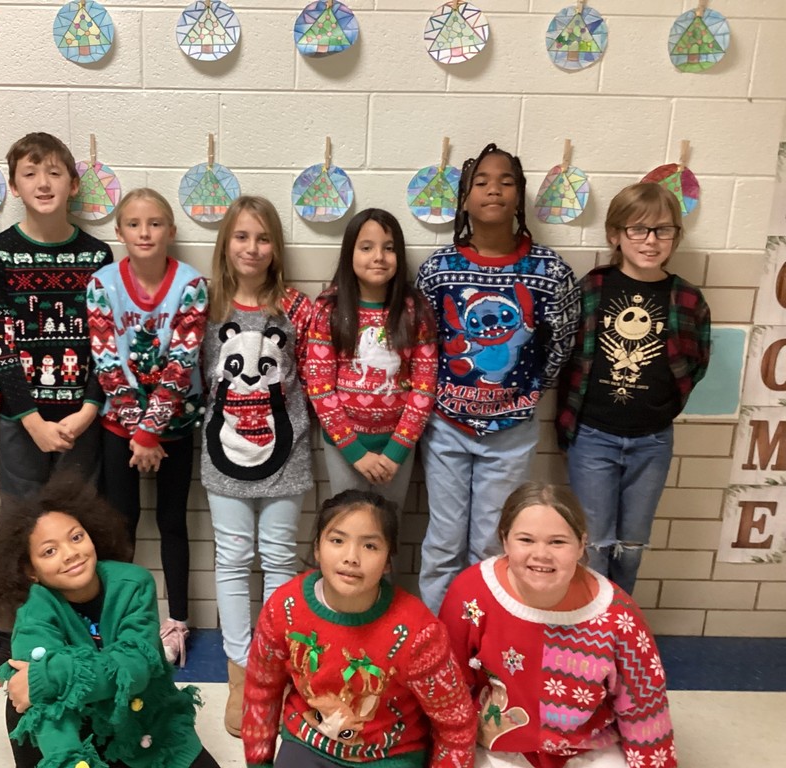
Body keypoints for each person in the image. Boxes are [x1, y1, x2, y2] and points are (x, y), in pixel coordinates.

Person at [0, 132, 114, 700]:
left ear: (73, 185)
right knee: (18, 528)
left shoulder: (96, 255)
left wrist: (90, 408)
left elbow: (106, 342)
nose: (43, 183)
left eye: (54, 173)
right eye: (31, 173)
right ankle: (12, 635)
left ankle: (84, 634)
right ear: (15, 184)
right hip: (24, 421)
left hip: (82, 418)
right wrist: (29, 418)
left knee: (83, 530)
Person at [415, 143, 580, 614]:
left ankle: (479, 638)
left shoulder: (549, 271)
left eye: (505, 181)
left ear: (520, 196)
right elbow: (421, 345)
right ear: (464, 198)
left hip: (512, 433)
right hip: (446, 428)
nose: (494, 189)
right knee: (443, 542)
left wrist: (524, 396)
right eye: (481, 182)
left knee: (491, 544)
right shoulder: (438, 271)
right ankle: (436, 641)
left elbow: (561, 345)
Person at [0, 474, 221, 768]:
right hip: (81, 723)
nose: (71, 553)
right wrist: (71, 761)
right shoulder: (34, 611)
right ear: (30, 571)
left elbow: (135, 668)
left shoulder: (133, 583)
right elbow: (47, 710)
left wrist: (50, 675)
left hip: (144, 720)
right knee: (24, 699)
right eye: (50, 551)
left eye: (76, 537)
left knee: (33, 682)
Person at [439, 482, 676, 768]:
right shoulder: (470, 592)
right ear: (505, 540)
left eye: (558, 542)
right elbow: (448, 689)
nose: (541, 554)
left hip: (585, 747)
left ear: (581, 545)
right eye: (526, 540)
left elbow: (643, 707)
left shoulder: (617, 614)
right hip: (498, 745)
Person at [242, 489, 477, 768]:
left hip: (390, 756)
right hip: (308, 743)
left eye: (370, 546)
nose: (351, 557)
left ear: (388, 560)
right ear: (317, 547)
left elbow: (456, 722)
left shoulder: (417, 632)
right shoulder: (284, 608)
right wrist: (259, 763)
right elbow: (261, 690)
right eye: (337, 540)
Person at [556, 182, 710, 594]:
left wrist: (661, 408)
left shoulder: (688, 299)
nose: (650, 240)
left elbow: (696, 365)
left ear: (676, 235)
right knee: (595, 542)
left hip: (652, 440)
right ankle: (592, 626)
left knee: (632, 545)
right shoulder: (593, 288)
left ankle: (623, 623)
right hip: (593, 436)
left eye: (663, 230)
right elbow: (568, 356)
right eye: (638, 230)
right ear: (615, 235)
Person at [200, 196, 313, 737]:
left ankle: (273, 668)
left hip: (286, 458)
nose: (252, 247)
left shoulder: (296, 309)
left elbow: (318, 375)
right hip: (224, 458)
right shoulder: (207, 306)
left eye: (263, 238)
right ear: (226, 244)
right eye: (242, 237)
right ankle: (240, 670)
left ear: (276, 248)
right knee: (233, 557)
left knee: (278, 560)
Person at [86, 188, 208, 667]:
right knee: (121, 526)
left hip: (174, 428)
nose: (144, 232)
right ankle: (120, 622)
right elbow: (106, 362)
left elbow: (182, 362)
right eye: (134, 224)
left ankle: (177, 621)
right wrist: (139, 433)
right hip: (121, 430)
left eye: (155, 223)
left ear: (171, 232)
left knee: (173, 523)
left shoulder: (193, 285)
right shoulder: (101, 284)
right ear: (119, 233)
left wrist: (152, 431)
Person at [305, 207, 437, 513]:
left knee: (387, 529)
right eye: (366, 247)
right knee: (348, 522)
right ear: (349, 253)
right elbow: (320, 388)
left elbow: (424, 388)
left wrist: (396, 450)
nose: (378, 256)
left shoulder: (415, 309)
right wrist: (354, 451)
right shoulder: (329, 308)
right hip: (344, 447)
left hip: (397, 446)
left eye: (389, 248)